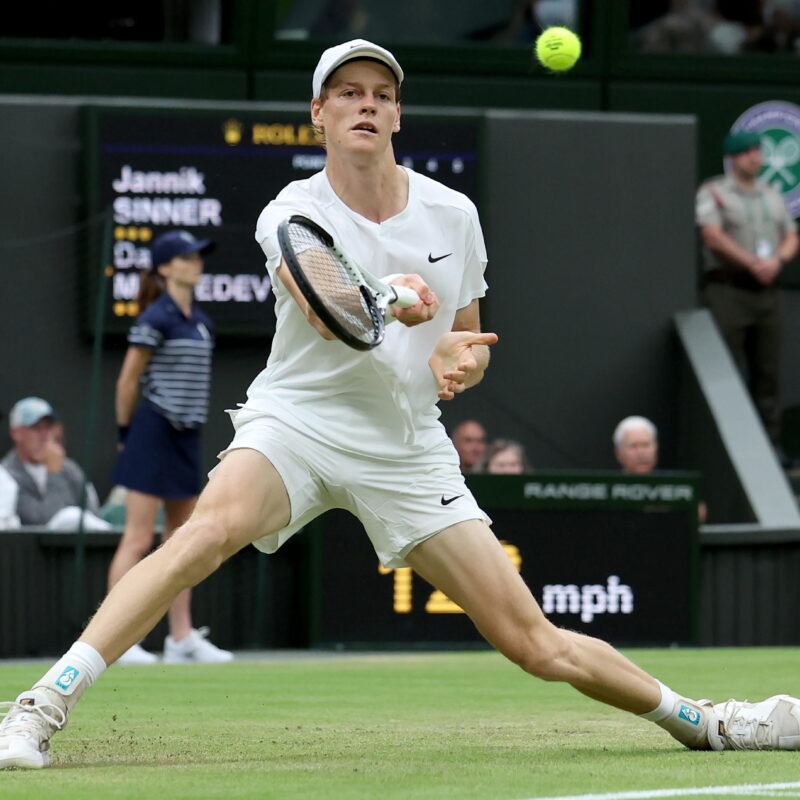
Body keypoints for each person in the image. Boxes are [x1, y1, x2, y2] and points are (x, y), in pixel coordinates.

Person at [1, 38, 798, 772]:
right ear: (320, 113)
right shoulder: (291, 210)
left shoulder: (454, 214)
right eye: (347, 93)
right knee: (201, 535)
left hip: (409, 444)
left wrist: (456, 359)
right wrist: (389, 299)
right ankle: (40, 705)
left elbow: (468, 343)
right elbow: (329, 312)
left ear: (397, 114)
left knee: (533, 642)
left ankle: (709, 721)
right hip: (300, 422)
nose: (366, 104)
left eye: (382, 93)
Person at [107, 229, 233, 666]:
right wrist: (126, 436)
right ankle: (117, 640)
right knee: (139, 538)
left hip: (186, 436)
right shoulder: (154, 318)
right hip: (151, 431)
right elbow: (127, 381)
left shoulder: (201, 322)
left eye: (197, 257)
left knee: (183, 540)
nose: (196, 263)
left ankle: (180, 639)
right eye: (186, 257)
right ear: (165, 268)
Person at [696, 130, 799, 459]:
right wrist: (751, 262)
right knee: (724, 370)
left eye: (757, 151)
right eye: (746, 152)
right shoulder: (713, 191)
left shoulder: (772, 193)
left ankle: (770, 450)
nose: (754, 157)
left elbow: (792, 235)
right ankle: (720, 450)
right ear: (732, 158)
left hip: (766, 294)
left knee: (767, 373)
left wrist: (777, 261)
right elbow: (712, 236)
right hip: (728, 290)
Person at [1, 397, 110, 532]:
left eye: (48, 427)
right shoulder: (6, 475)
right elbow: (42, 521)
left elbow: (92, 516)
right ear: (15, 433)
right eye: (35, 428)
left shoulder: (70, 469)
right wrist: (53, 473)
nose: (44, 435)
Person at [613, 415, 708, 523]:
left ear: (656, 448)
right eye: (634, 446)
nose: (641, 453)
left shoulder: (675, 487)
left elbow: (698, 514)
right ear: (618, 453)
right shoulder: (609, 490)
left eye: (646, 445)